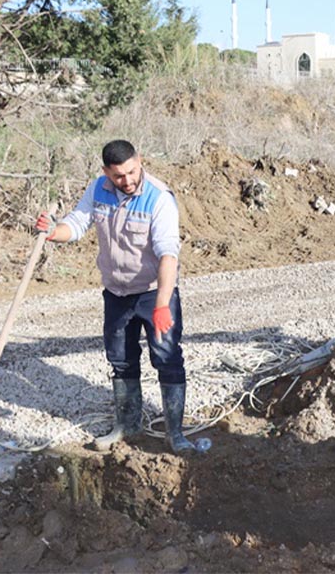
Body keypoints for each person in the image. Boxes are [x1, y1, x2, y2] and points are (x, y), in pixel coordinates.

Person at [35, 140, 210, 454]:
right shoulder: (98, 190)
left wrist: (161, 306)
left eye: (132, 172)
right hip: (116, 292)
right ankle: (127, 424)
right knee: (121, 360)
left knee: (167, 359)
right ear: (106, 173)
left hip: (154, 293)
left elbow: (169, 254)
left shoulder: (159, 198)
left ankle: (175, 435)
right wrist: (53, 232)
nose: (127, 181)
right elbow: (76, 224)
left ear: (139, 161)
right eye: (119, 176)